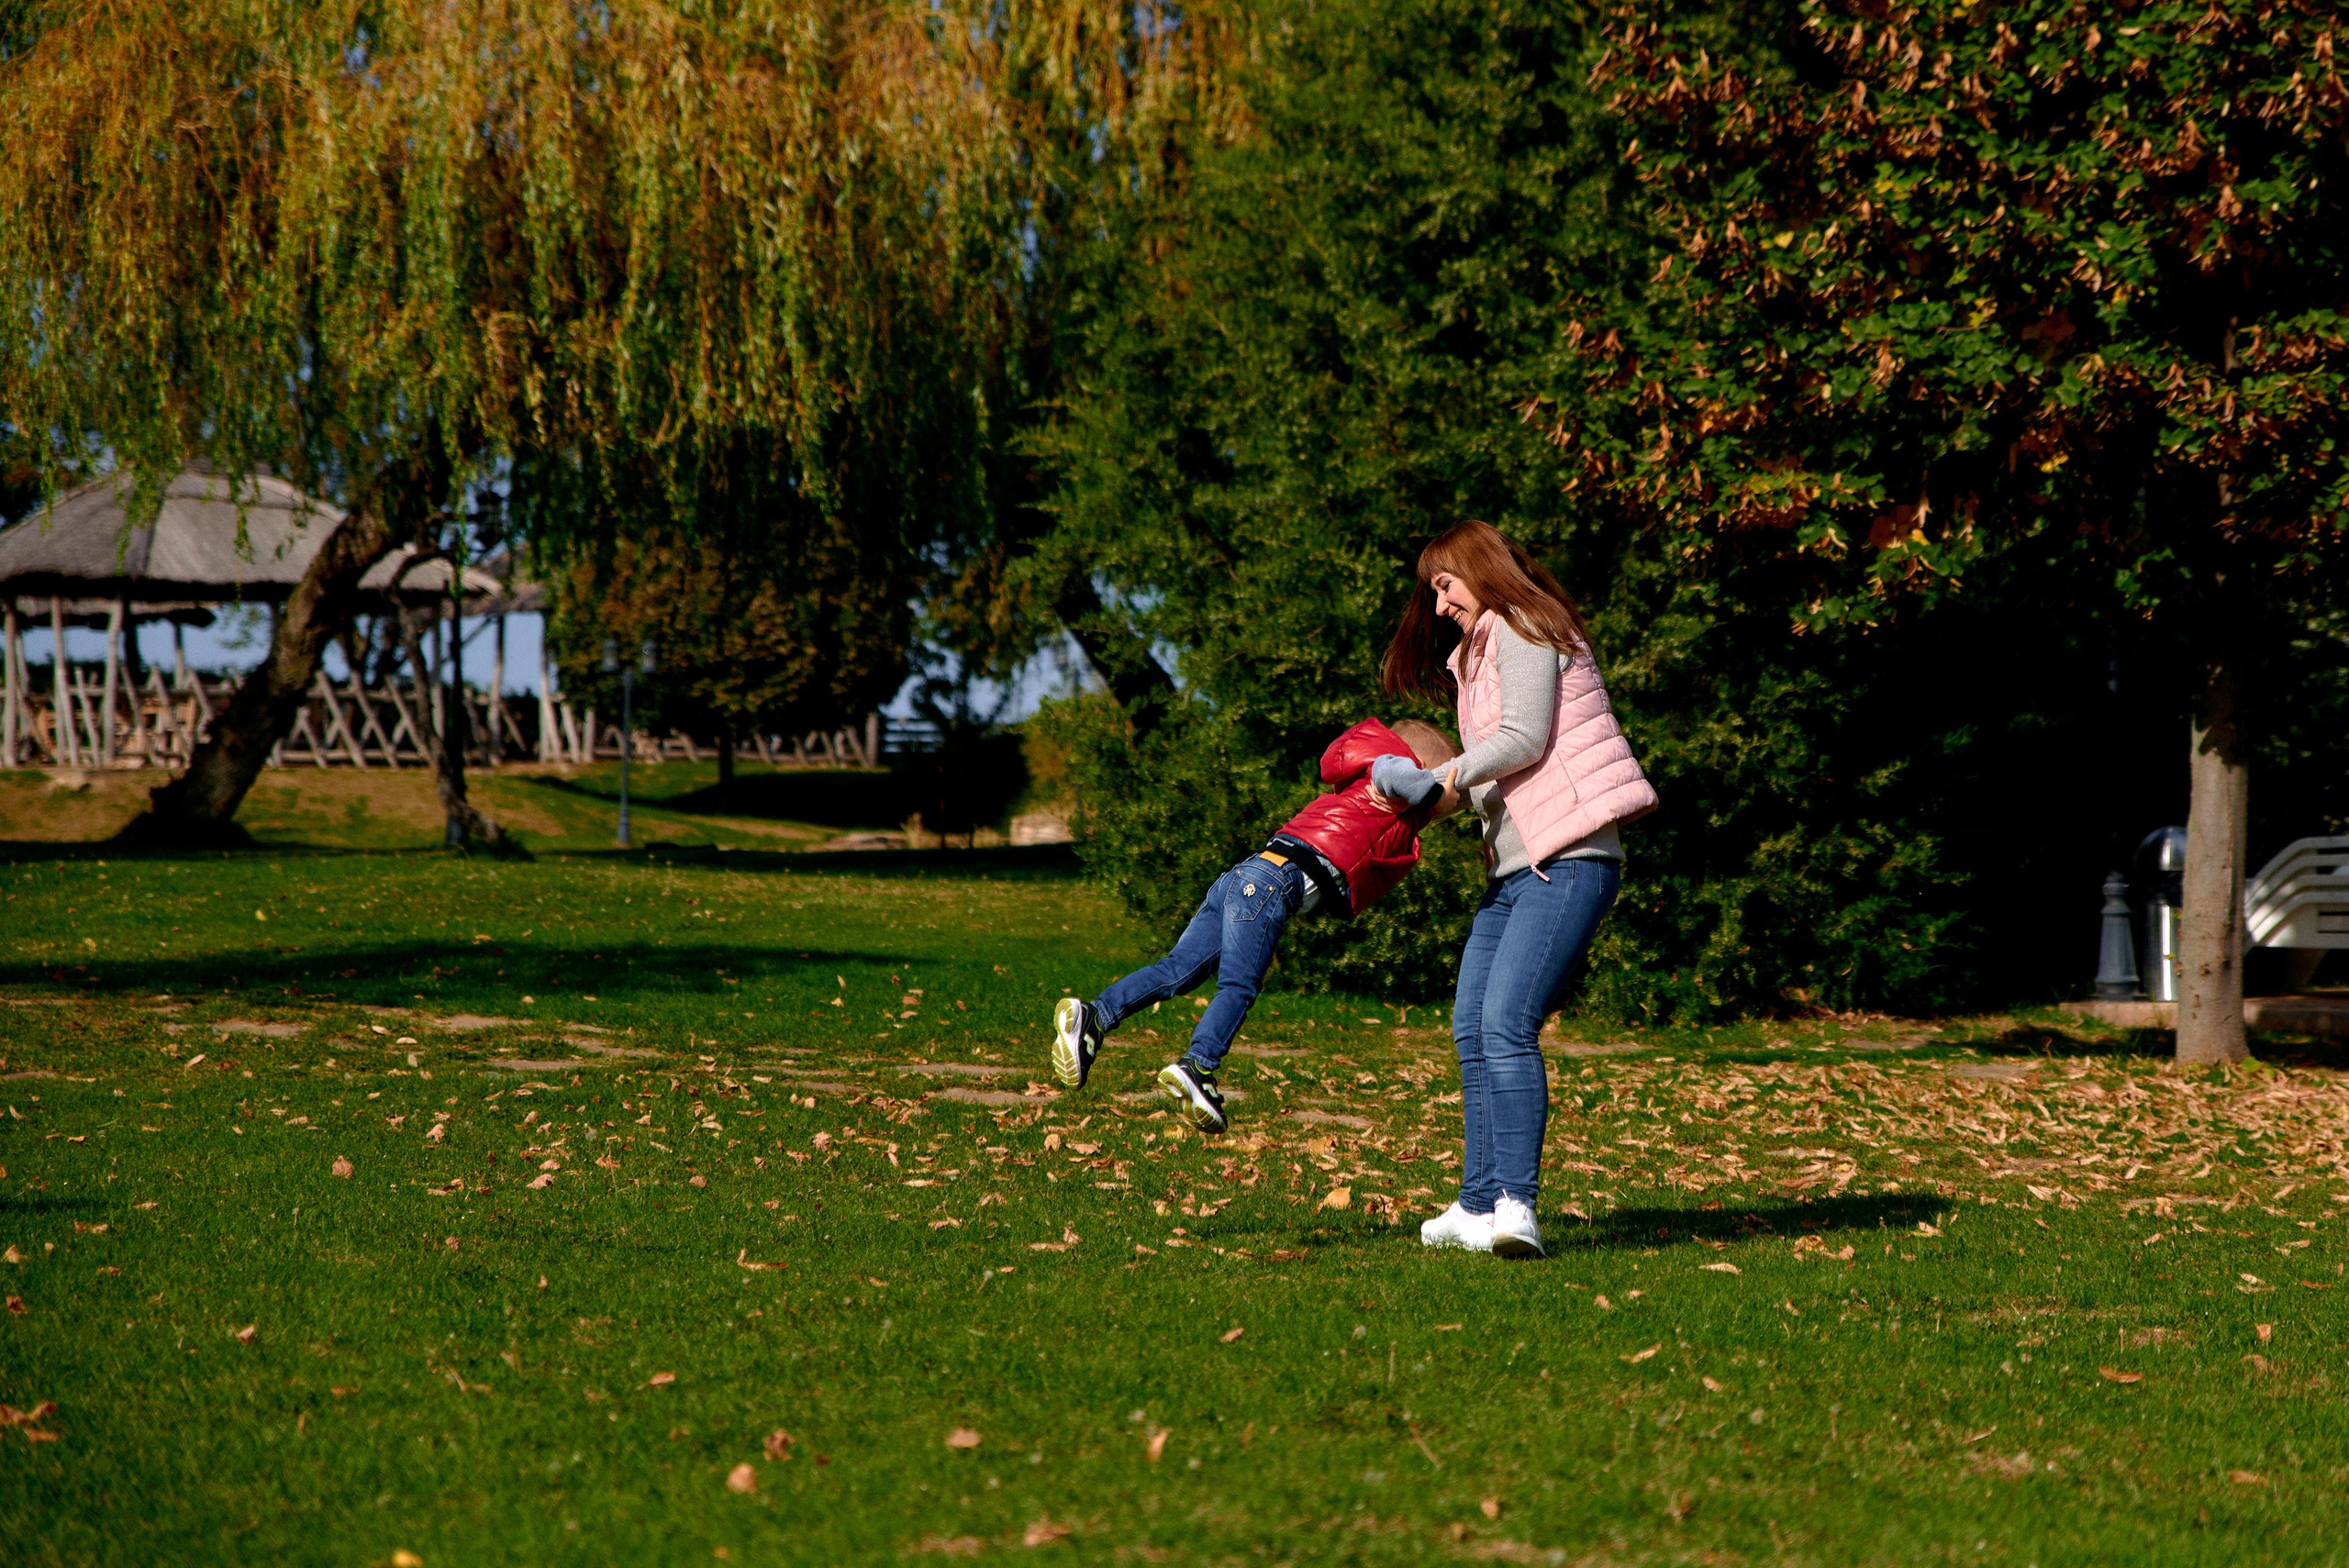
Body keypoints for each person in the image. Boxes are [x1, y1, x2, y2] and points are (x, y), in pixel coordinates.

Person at [1375, 520, 1658, 1258]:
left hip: (1569, 858)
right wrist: (1419, 805)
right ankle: (1474, 1205)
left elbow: (1525, 738)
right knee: (1472, 1025)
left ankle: (1517, 1206)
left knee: (1506, 1021)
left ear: (1476, 567)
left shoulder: (1528, 623)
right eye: (1432, 592)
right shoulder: (1479, 651)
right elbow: (1498, 774)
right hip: (1513, 870)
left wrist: (1440, 774)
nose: (1437, 606)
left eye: (1444, 585)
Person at [1052, 717, 1464, 1133]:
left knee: (1177, 969)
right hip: (1270, 887)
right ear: (1421, 767)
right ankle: (1198, 1066)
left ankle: (1095, 1016)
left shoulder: (1373, 792)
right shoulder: (1389, 781)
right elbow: (1393, 771)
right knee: (1239, 986)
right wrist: (1436, 786)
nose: (1450, 799)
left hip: (1246, 876)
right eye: (1450, 781)